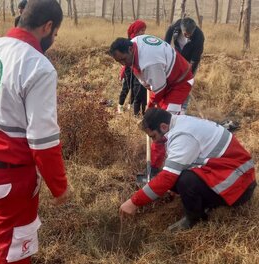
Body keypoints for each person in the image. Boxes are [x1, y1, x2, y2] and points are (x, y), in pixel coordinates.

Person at [0, 1, 69, 264]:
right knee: (15, 250)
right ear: (47, 27)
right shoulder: (38, 66)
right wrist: (60, 187)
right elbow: (42, 140)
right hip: (10, 177)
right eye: (54, 33)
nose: (53, 39)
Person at [120, 108, 256, 231]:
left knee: (184, 180)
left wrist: (133, 202)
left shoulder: (182, 136)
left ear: (163, 126)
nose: (154, 142)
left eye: (154, 136)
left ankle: (195, 218)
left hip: (239, 187)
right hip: (232, 174)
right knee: (176, 175)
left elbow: (167, 177)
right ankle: (206, 201)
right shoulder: (180, 122)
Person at [109, 36, 194, 175]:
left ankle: (158, 168)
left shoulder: (149, 62)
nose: (123, 64)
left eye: (124, 59)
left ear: (130, 49)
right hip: (166, 79)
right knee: (158, 121)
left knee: (163, 126)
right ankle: (156, 164)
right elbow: (153, 84)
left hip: (179, 83)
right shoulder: (135, 42)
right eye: (119, 61)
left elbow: (159, 90)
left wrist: (150, 106)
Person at [118, 20, 147, 116]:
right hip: (129, 69)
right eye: (140, 30)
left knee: (137, 88)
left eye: (144, 30)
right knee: (127, 86)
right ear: (135, 30)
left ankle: (133, 106)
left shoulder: (142, 41)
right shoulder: (130, 42)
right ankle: (120, 106)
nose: (143, 33)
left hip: (138, 69)